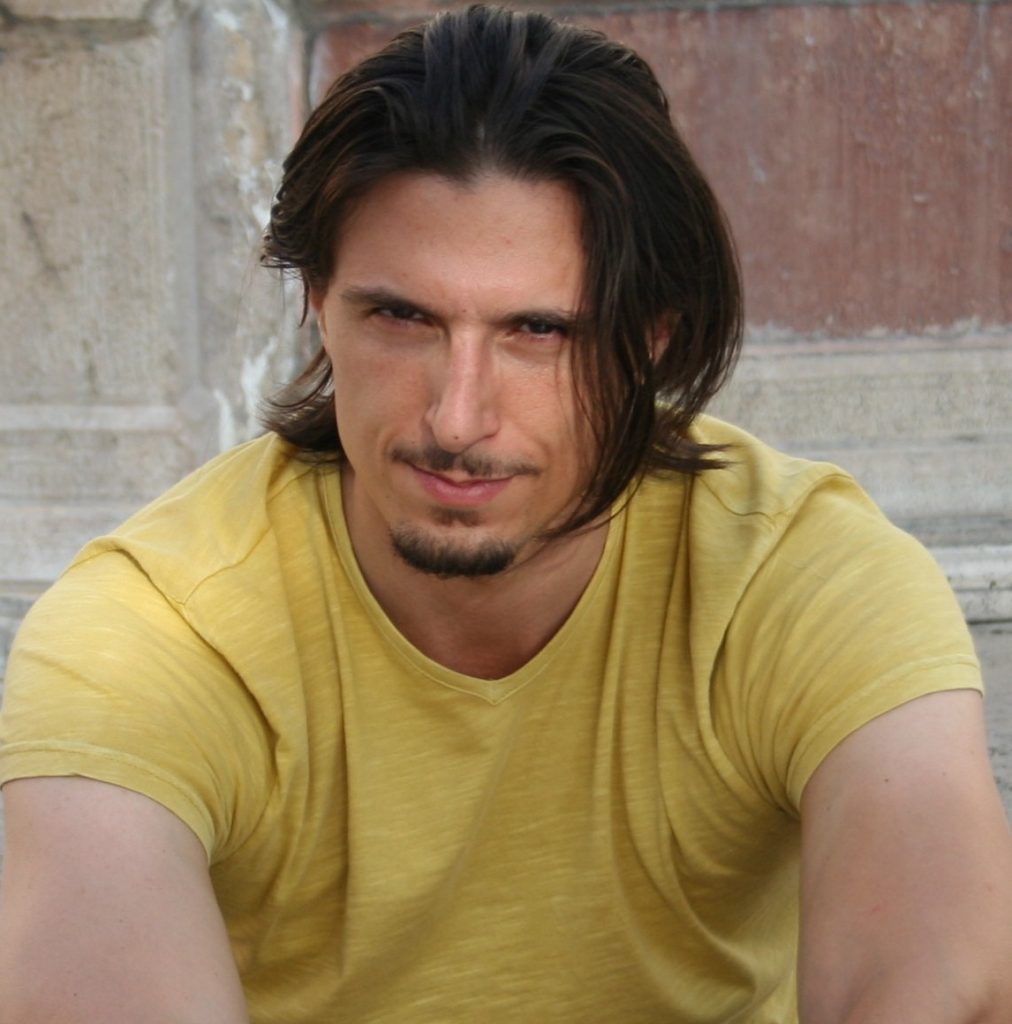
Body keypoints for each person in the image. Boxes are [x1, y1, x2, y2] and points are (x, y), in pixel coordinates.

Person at [0, 5, 1009, 1022]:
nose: (457, 416)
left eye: (538, 331)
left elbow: (945, 980)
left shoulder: (796, 577)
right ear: (316, 301)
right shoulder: (152, 634)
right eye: (402, 317)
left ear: (653, 339)